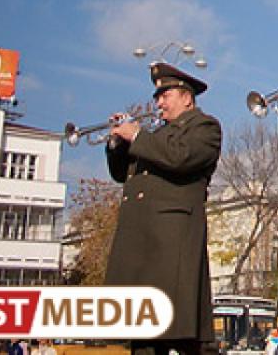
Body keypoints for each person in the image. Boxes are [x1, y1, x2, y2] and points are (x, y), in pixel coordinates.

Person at [104, 62, 221, 355]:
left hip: (172, 242)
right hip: (142, 243)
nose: (159, 103)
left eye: (165, 95)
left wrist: (138, 137)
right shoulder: (156, 136)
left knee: (183, 332)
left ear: (186, 97)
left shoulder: (204, 127)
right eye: (157, 97)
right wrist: (116, 144)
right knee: (144, 339)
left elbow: (181, 158)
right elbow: (122, 175)